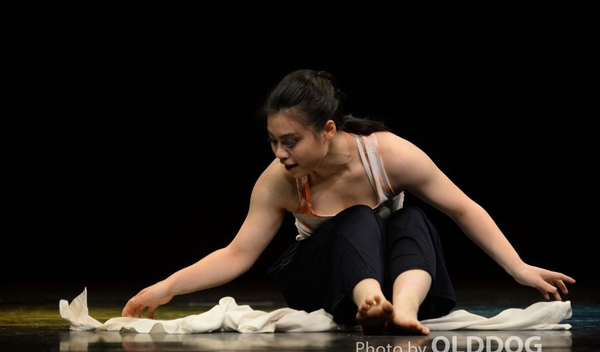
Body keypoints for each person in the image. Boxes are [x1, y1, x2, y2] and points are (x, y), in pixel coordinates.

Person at [121, 69, 576, 335]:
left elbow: (462, 207)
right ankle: (370, 305)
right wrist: (168, 286)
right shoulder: (279, 180)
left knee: (412, 219)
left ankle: (403, 313)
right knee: (360, 216)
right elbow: (238, 253)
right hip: (325, 286)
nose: (280, 153)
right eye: (273, 141)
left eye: (291, 141)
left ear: (328, 130)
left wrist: (519, 268)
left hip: (397, 281)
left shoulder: (388, 154)